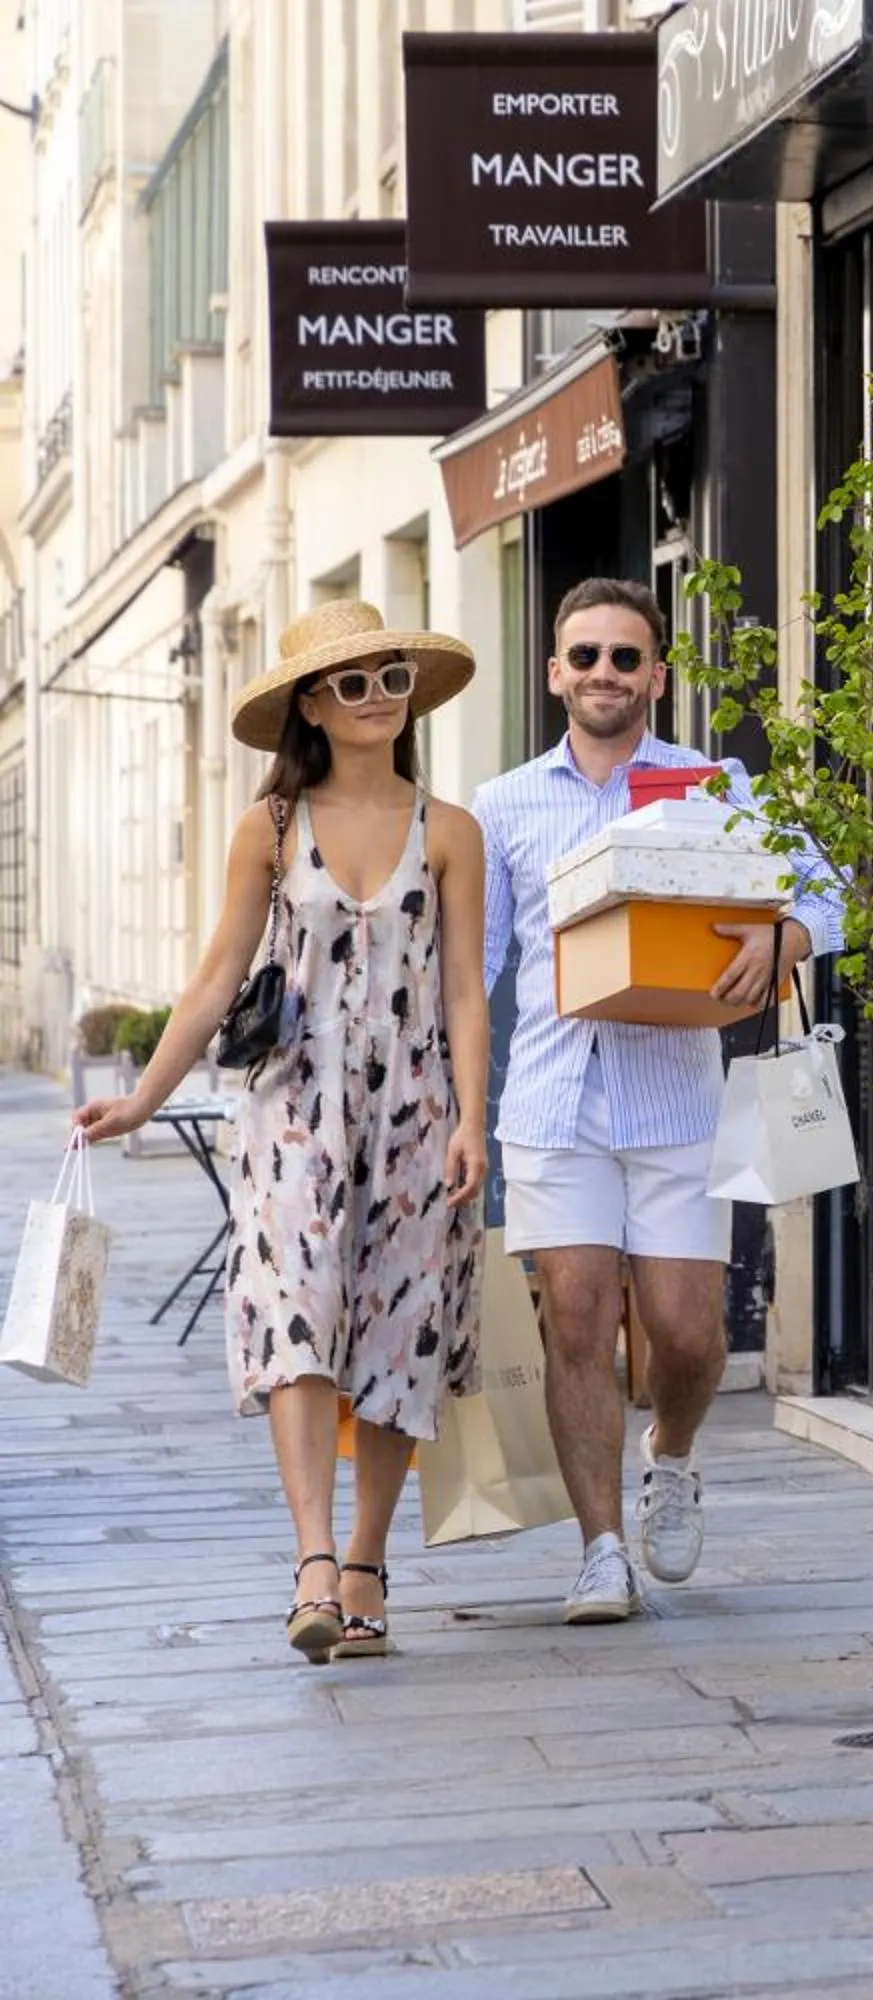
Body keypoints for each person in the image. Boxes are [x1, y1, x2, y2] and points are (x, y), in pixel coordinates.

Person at [77, 601, 489, 1665]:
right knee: (297, 1316)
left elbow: (465, 992)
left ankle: (365, 1557)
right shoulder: (268, 825)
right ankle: (312, 1561)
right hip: (293, 1107)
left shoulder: (450, 830)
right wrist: (141, 1101)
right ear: (312, 703)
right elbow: (216, 975)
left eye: (390, 674)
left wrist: (473, 1123)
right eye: (351, 682)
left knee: (402, 1335)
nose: (377, 695)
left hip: (417, 1110)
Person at [474, 579, 842, 1625]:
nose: (603, 673)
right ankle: (600, 1550)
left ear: (657, 675)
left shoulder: (711, 783)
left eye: (624, 658)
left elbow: (825, 890)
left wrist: (786, 936)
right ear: (555, 673)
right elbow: (480, 965)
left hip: (680, 1095)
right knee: (579, 1315)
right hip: (551, 1101)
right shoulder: (505, 806)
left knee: (685, 1331)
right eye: (583, 655)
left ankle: (670, 1451)